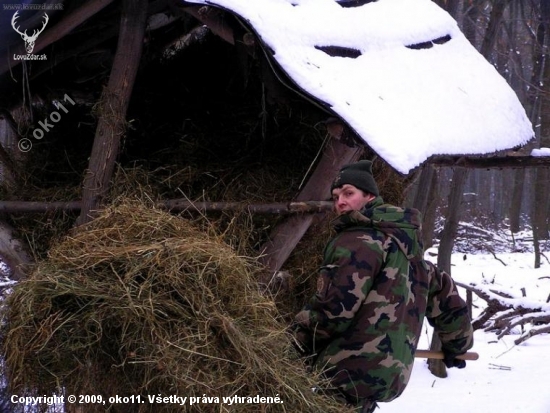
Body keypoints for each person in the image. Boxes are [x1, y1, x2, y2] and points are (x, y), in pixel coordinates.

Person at [292, 160, 474, 412]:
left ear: (369, 196)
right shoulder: (413, 252)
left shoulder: (358, 241)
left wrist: (290, 346)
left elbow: (333, 310)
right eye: (336, 197)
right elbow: (448, 301)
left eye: (348, 193)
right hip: (391, 376)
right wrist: (458, 345)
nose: (340, 202)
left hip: (347, 370)